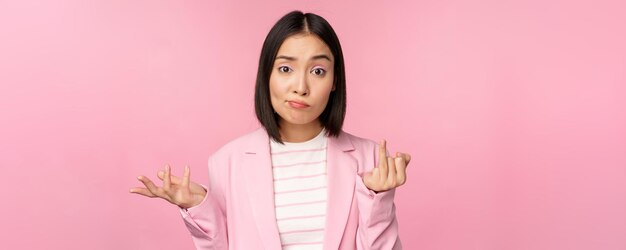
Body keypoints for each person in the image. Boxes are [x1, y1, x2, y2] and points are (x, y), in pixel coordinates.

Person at [130, 10, 411, 250]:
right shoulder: (228, 161)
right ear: (267, 74)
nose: (301, 87)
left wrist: (378, 200)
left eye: (318, 71)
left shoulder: (371, 159)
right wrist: (199, 208)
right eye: (286, 69)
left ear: (335, 80)